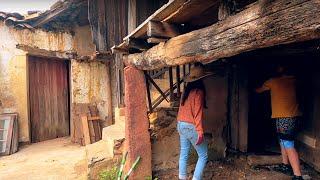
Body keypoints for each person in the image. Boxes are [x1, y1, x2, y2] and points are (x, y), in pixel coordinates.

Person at [256, 65, 303, 180]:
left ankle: (298, 175)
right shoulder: (293, 80)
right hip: (294, 116)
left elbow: (258, 90)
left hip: (284, 117)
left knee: (288, 144)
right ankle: (285, 165)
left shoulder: (272, 81)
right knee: (282, 140)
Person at [176, 65, 212, 180]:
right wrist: (200, 131)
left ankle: (182, 178)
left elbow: (181, 109)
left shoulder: (186, 91)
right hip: (191, 126)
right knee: (203, 155)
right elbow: (198, 114)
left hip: (180, 124)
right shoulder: (199, 92)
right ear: (202, 78)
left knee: (184, 154)